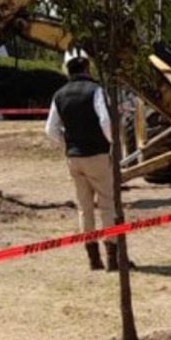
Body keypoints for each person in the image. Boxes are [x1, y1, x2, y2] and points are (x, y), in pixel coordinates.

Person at [45, 49, 132, 272]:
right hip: (97, 155)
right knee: (107, 205)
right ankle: (112, 258)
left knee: (84, 208)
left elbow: (50, 130)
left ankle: (93, 259)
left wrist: (68, 143)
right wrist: (111, 143)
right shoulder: (96, 91)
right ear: (87, 66)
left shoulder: (59, 94)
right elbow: (105, 121)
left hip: (74, 158)